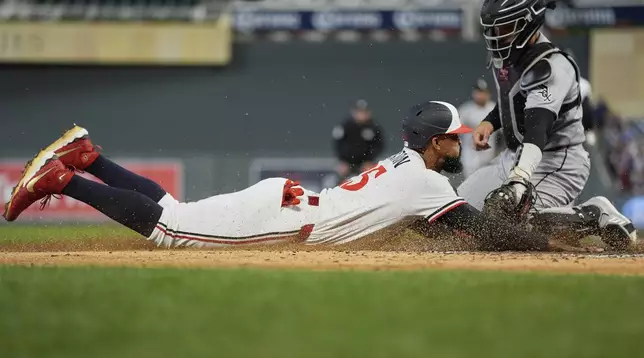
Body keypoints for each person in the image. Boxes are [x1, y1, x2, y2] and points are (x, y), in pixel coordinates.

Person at [2, 102, 634, 251]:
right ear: (434, 141)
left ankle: (90, 158)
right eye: (455, 137)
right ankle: (65, 178)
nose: (461, 144)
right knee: (170, 228)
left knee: (178, 207)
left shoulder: (414, 171)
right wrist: (557, 238)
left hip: (286, 207)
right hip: (283, 216)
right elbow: (491, 236)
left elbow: (446, 229)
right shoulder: (427, 183)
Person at [458, 0, 605, 236]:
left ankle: (596, 213)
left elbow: (538, 129)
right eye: (494, 28)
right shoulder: (508, 54)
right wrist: (490, 121)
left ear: (529, 23)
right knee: (458, 214)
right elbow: (514, 101)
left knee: (517, 229)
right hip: (514, 155)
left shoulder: (550, 67)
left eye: (505, 27)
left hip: (557, 161)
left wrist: (519, 179)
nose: (497, 35)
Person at [332, 99, 384, 184]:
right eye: (359, 112)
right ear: (354, 112)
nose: (362, 115)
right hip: (347, 163)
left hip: (366, 163)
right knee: (338, 180)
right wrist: (343, 160)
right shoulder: (345, 125)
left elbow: (379, 145)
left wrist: (369, 160)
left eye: (364, 112)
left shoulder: (374, 127)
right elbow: (338, 144)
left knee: (372, 181)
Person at [458, 78, 499, 178]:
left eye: (483, 92)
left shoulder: (494, 109)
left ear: (488, 93)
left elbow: (502, 134)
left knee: (488, 181)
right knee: (470, 180)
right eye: (478, 92)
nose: (480, 95)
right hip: (470, 153)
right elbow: (457, 131)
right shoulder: (466, 110)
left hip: (489, 153)